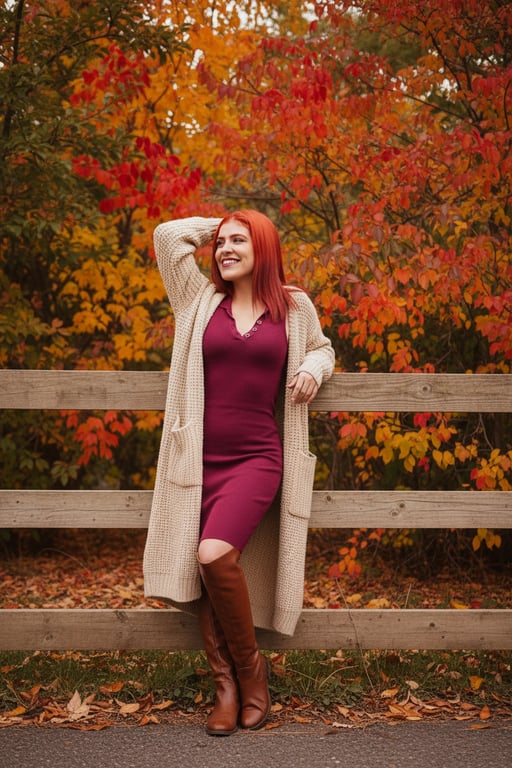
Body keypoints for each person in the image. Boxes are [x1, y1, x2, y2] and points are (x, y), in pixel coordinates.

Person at [143, 211, 335, 736]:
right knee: (210, 569)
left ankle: (251, 676)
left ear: (264, 247)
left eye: (239, 241)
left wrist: (313, 369)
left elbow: (322, 347)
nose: (226, 248)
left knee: (212, 554)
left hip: (257, 458)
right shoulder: (197, 300)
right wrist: (224, 218)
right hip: (196, 463)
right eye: (221, 242)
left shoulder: (293, 307)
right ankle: (225, 686)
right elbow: (167, 236)